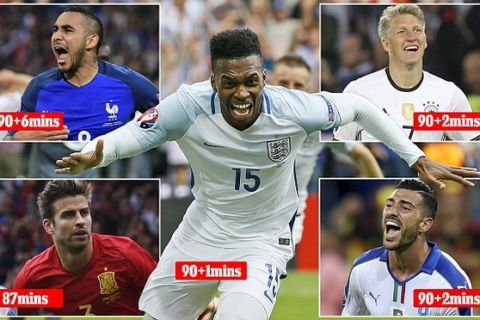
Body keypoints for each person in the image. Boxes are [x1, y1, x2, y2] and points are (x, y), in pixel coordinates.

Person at [55, 29, 478, 320]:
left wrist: (414, 158)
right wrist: (99, 153)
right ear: (213, 79)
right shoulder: (188, 104)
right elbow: (139, 131)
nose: (242, 92)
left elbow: (362, 109)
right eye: (229, 82)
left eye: (251, 80)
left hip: (261, 241)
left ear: (264, 76)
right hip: (201, 232)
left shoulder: (295, 109)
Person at [5, 6, 159, 178]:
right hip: (46, 179)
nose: (57, 36)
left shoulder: (129, 83)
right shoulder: (38, 87)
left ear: (91, 41)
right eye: (55, 30)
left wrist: (129, 138)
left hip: (103, 182)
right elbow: (9, 138)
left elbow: (166, 119)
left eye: (67, 30)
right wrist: (24, 137)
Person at [271, 53, 383, 244]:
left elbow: (361, 154)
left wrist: (381, 194)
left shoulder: (321, 122)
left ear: (308, 89)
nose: (291, 91)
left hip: (288, 216)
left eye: (298, 85)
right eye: (283, 83)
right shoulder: (251, 118)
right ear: (271, 83)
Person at [334, 4, 479, 141]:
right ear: (386, 44)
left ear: (425, 41)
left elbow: (474, 142)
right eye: (402, 32)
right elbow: (340, 149)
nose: (411, 37)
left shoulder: (450, 93)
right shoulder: (357, 92)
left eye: (417, 30)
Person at [13, 180, 157, 315]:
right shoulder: (32, 278)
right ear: (49, 226)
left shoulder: (126, 253)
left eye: (84, 212)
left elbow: (166, 300)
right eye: (68, 215)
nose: (80, 221)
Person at [342, 179, 472, 316]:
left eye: (405, 208)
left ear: (425, 224)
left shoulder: (453, 285)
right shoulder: (362, 268)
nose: (392, 212)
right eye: (389, 205)